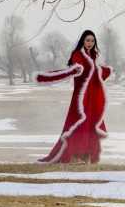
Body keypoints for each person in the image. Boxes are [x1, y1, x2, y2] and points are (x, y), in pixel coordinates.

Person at [35, 30, 112, 164]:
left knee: (90, 125)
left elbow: (95, 73)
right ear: (83, 41)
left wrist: (106, 70)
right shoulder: (77, 54)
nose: (90, 43)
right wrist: (77, 69)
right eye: (87, 40)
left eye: (92, 41)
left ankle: (86, 155)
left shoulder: (93, 56)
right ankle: (73, 155)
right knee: (76, 125)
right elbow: (75, 68)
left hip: (92, 97)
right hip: (81, 98)